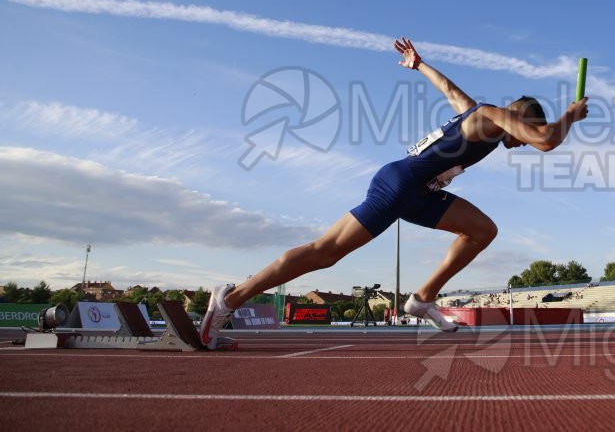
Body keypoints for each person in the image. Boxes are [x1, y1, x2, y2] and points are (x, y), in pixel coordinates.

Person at [200, 37, 589, 346]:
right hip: (399, 185)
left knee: (481, 231)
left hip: (421, 192)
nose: (521, 142)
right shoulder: (492, 116)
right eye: (524, 130)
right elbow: (545, 141)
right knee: (326, 253)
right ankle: (232, 297)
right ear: (521, 115)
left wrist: (419, 64)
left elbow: (450, 89)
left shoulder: (475, 112)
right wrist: (569, 114)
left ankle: (422, 300)